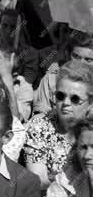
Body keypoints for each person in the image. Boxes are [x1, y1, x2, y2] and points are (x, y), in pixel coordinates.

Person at [24, 60, 93, 189]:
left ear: (90, 102)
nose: (66, 103)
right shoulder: (40, 126)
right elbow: (38, 180)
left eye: (75, 99)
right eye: (60, 96)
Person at [0, 10, 39, 122]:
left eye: (13, 27)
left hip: (15, 91)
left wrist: (7, 73)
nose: (9, 31)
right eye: (5, 26)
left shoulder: (31, 54)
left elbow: (26, 81)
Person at [34, 31, 93, 114]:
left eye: (88, 60)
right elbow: (40, 116)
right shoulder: (51, 80)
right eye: (76, 56)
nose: (81, 63)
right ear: (68, 55)